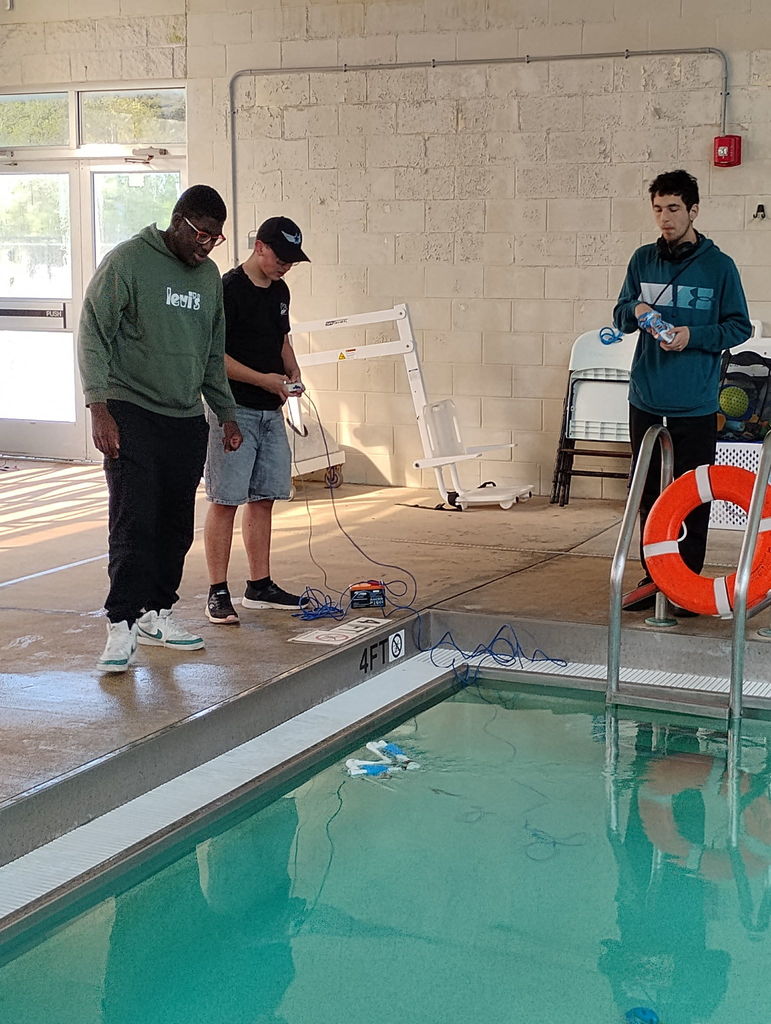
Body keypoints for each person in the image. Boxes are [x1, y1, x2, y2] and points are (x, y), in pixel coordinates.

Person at [78, 184, 242, 673]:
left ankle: (156, 614)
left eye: (216, 238)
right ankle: (120, 623)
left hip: (185, 418)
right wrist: (97, 406)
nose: (207, 245)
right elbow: (93, 332)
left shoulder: (209, 277)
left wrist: (226, 412)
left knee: (174, 526)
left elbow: (214, 353)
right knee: (134, 520)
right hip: (131, 411)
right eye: (200, 234)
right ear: (177, 220)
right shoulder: (128, 262)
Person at [613, 169, 751, 614]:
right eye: (658, 209)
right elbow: (619, 315)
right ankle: (655, 577)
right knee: (649, 494)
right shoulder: (642, 260)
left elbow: (739, 326)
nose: (665, 218)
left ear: (693, 211)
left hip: (694, 401)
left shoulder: (719, 266)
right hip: (646, 397)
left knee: (693, 496)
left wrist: (692, 336)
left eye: (673, 209)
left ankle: (687, 585)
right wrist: (634, 309)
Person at [203, 216, 310, 624]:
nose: (285, 266)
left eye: (292, 260)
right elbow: (216, 357)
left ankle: (259, 584)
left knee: (264, 497)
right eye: (281, 257)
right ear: (259, 246)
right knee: (226, 499)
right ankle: (217, 590)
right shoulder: (229, 289)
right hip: (234, 409)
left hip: (271, 410)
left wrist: (293, 371)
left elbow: (282, 339)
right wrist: (263, 380)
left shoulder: (280, 290)